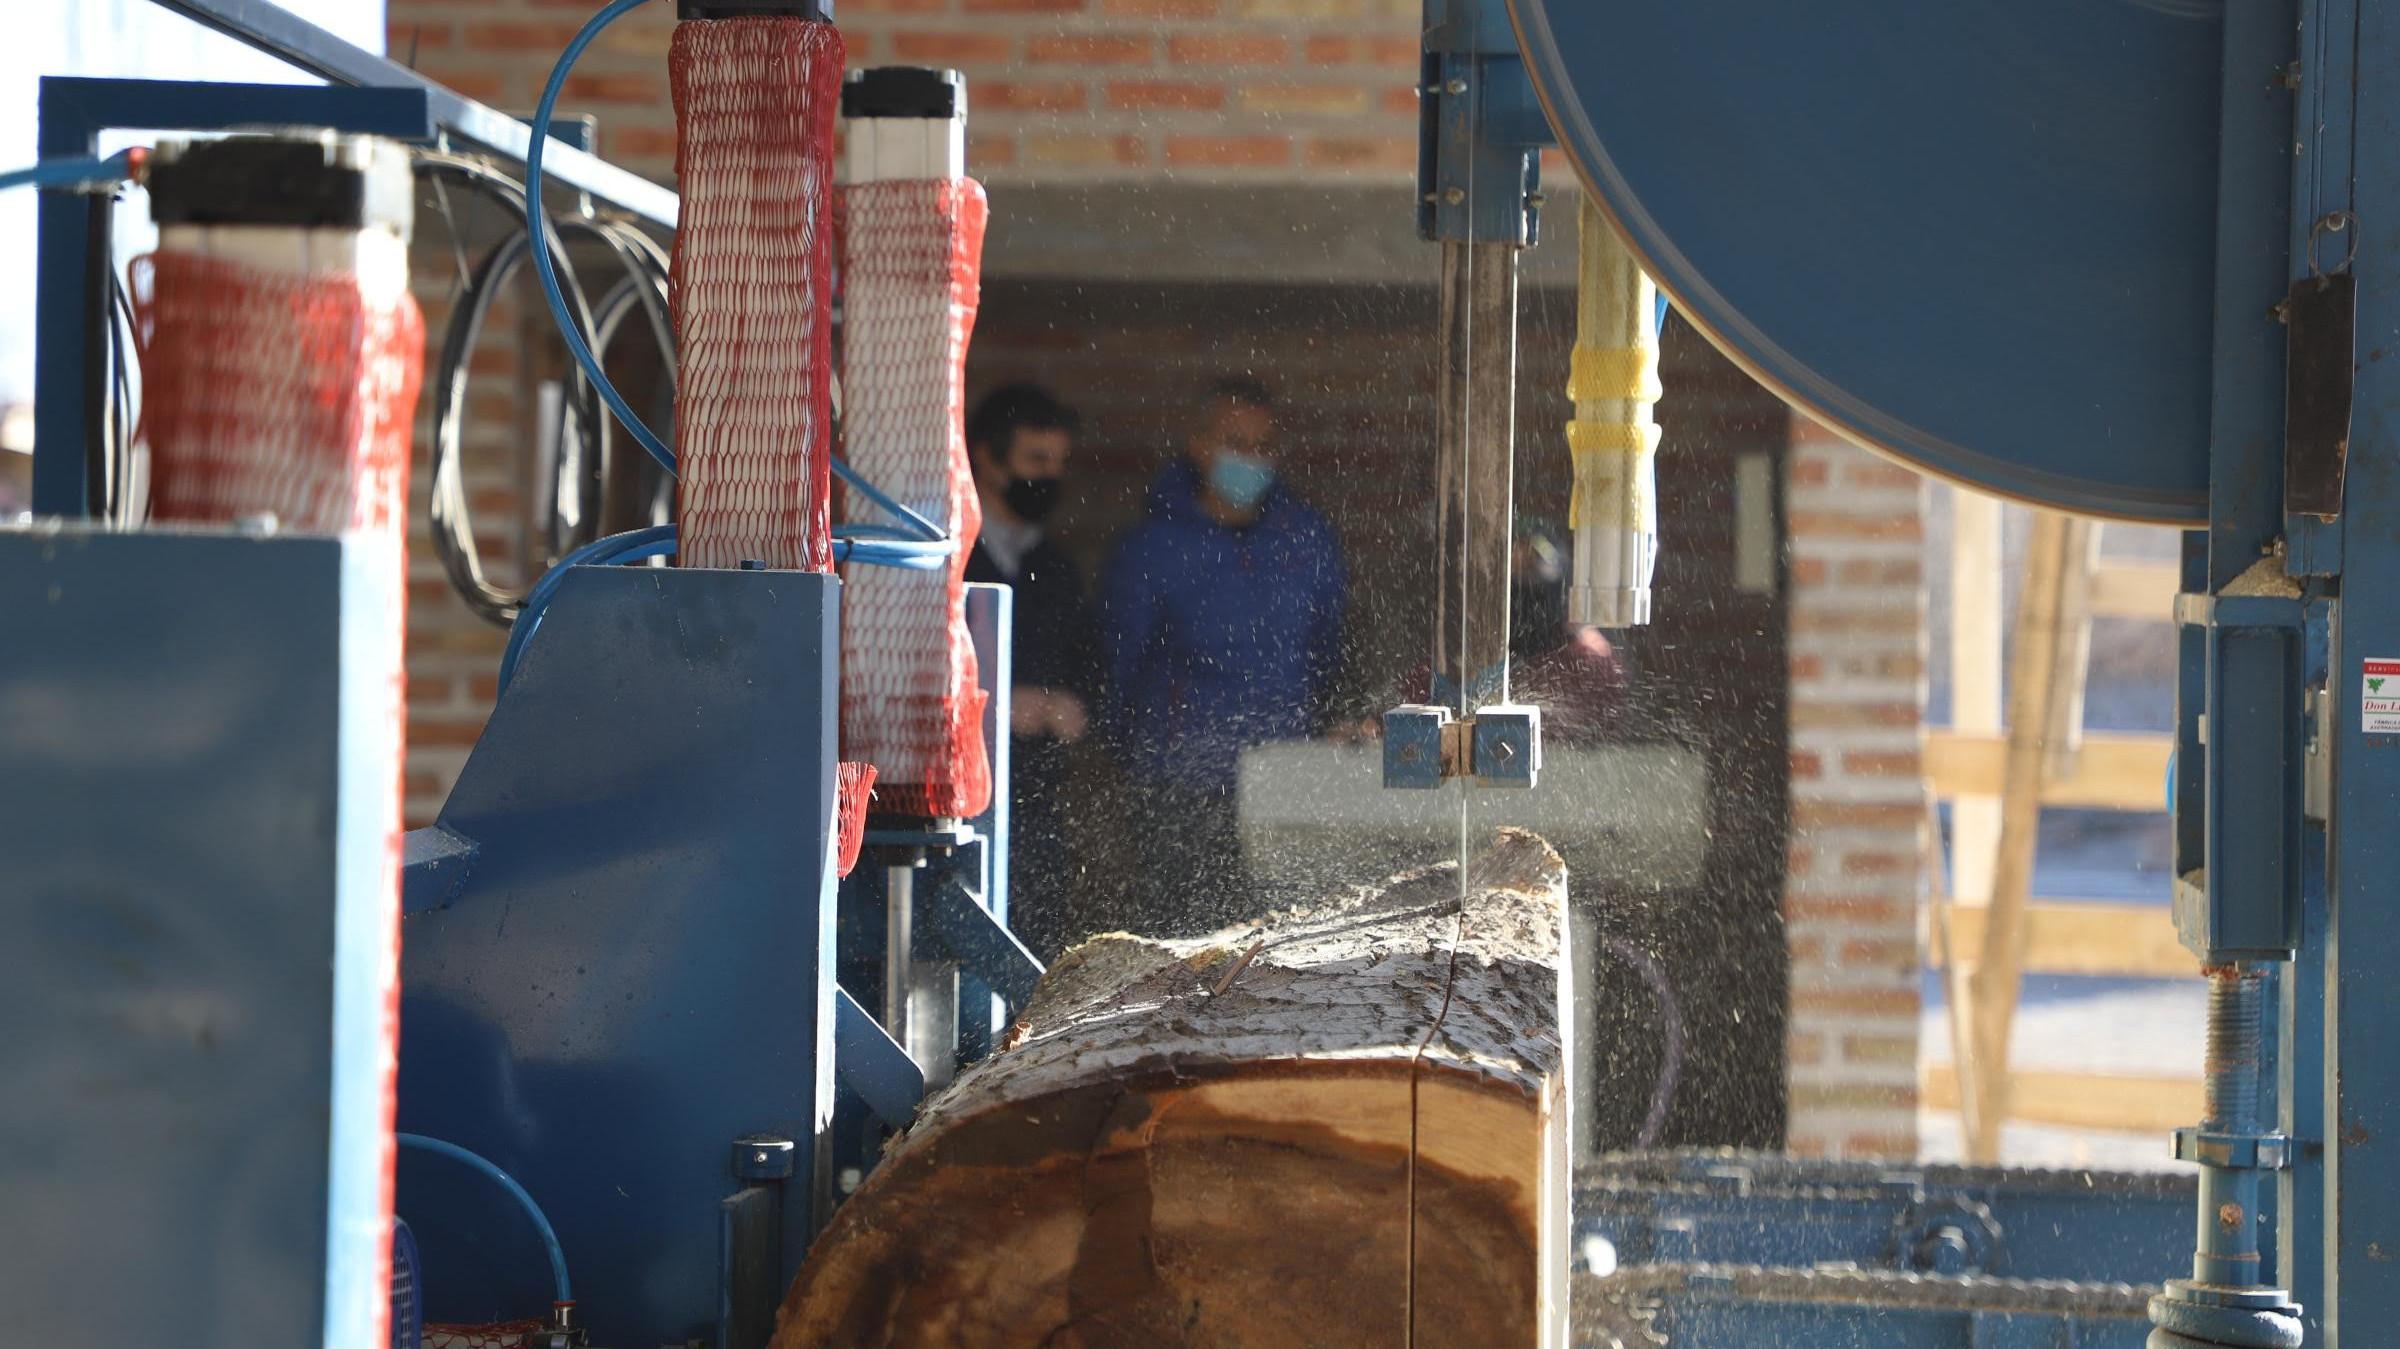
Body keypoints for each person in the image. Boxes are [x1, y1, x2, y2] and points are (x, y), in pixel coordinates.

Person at [1100, 377, 1346, 932]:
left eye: (1263, 446)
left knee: (1282, 947)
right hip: (1183, 789)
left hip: (1287, 780)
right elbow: (1121, 665)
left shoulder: (1306, 540)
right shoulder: (1153, 548)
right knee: (1183, 947)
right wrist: (1139, 758)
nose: (1251, 459)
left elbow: (1329, 652)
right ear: (1199, 445)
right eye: (1236, 442)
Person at [963, 383, 1097, 961]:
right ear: (989, 460)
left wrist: (1074, 706)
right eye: (1036, 459)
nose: (1050, 476)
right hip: (960, 805)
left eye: (1059, 462)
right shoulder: (951, 560)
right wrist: (993, 704)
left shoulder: (1057, 570)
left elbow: (1089, 670)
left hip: (1037, 808)